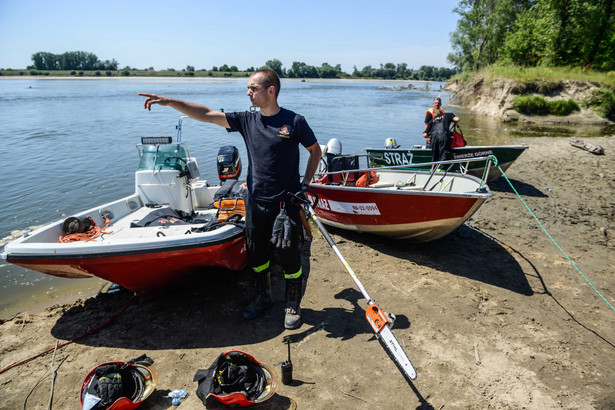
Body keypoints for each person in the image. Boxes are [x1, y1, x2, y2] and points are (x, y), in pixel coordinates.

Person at [139, 69, 321, 330]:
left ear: (271, 90)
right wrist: (170, 102)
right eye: (248, 88)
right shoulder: (247, 120)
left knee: (291, 259)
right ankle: (263, 298)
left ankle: (292, 304)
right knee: (258, 259)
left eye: (253, 88)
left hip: (286, 204)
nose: (248, 93)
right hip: (256, 203)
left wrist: (305, 184)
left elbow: (314, 151)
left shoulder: (294, 122)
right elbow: (207, 114)